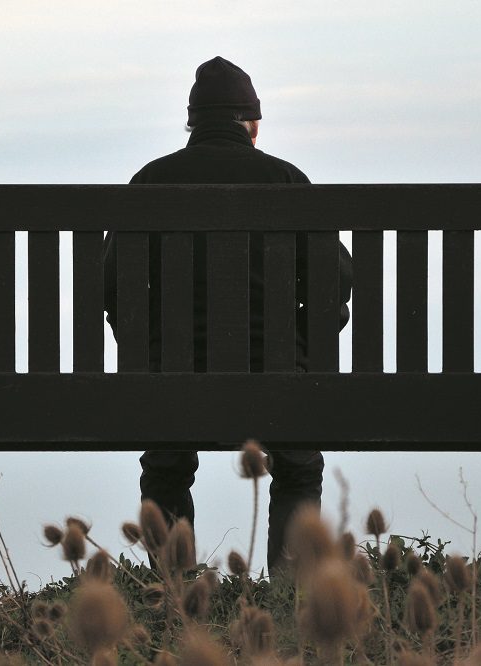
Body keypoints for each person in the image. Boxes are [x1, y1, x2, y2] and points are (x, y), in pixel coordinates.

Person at [102, 56, 353, 570]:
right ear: (252, 125)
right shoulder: (287, 181)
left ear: (192, 123)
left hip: (171, 381)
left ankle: (176, 593)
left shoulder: (150, 182)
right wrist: (304, 348)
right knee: (299, 467)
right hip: (280, 377)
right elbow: (339, 283)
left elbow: (111, 289)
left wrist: (147, 355)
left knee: (166, 465)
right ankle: (291, 594)